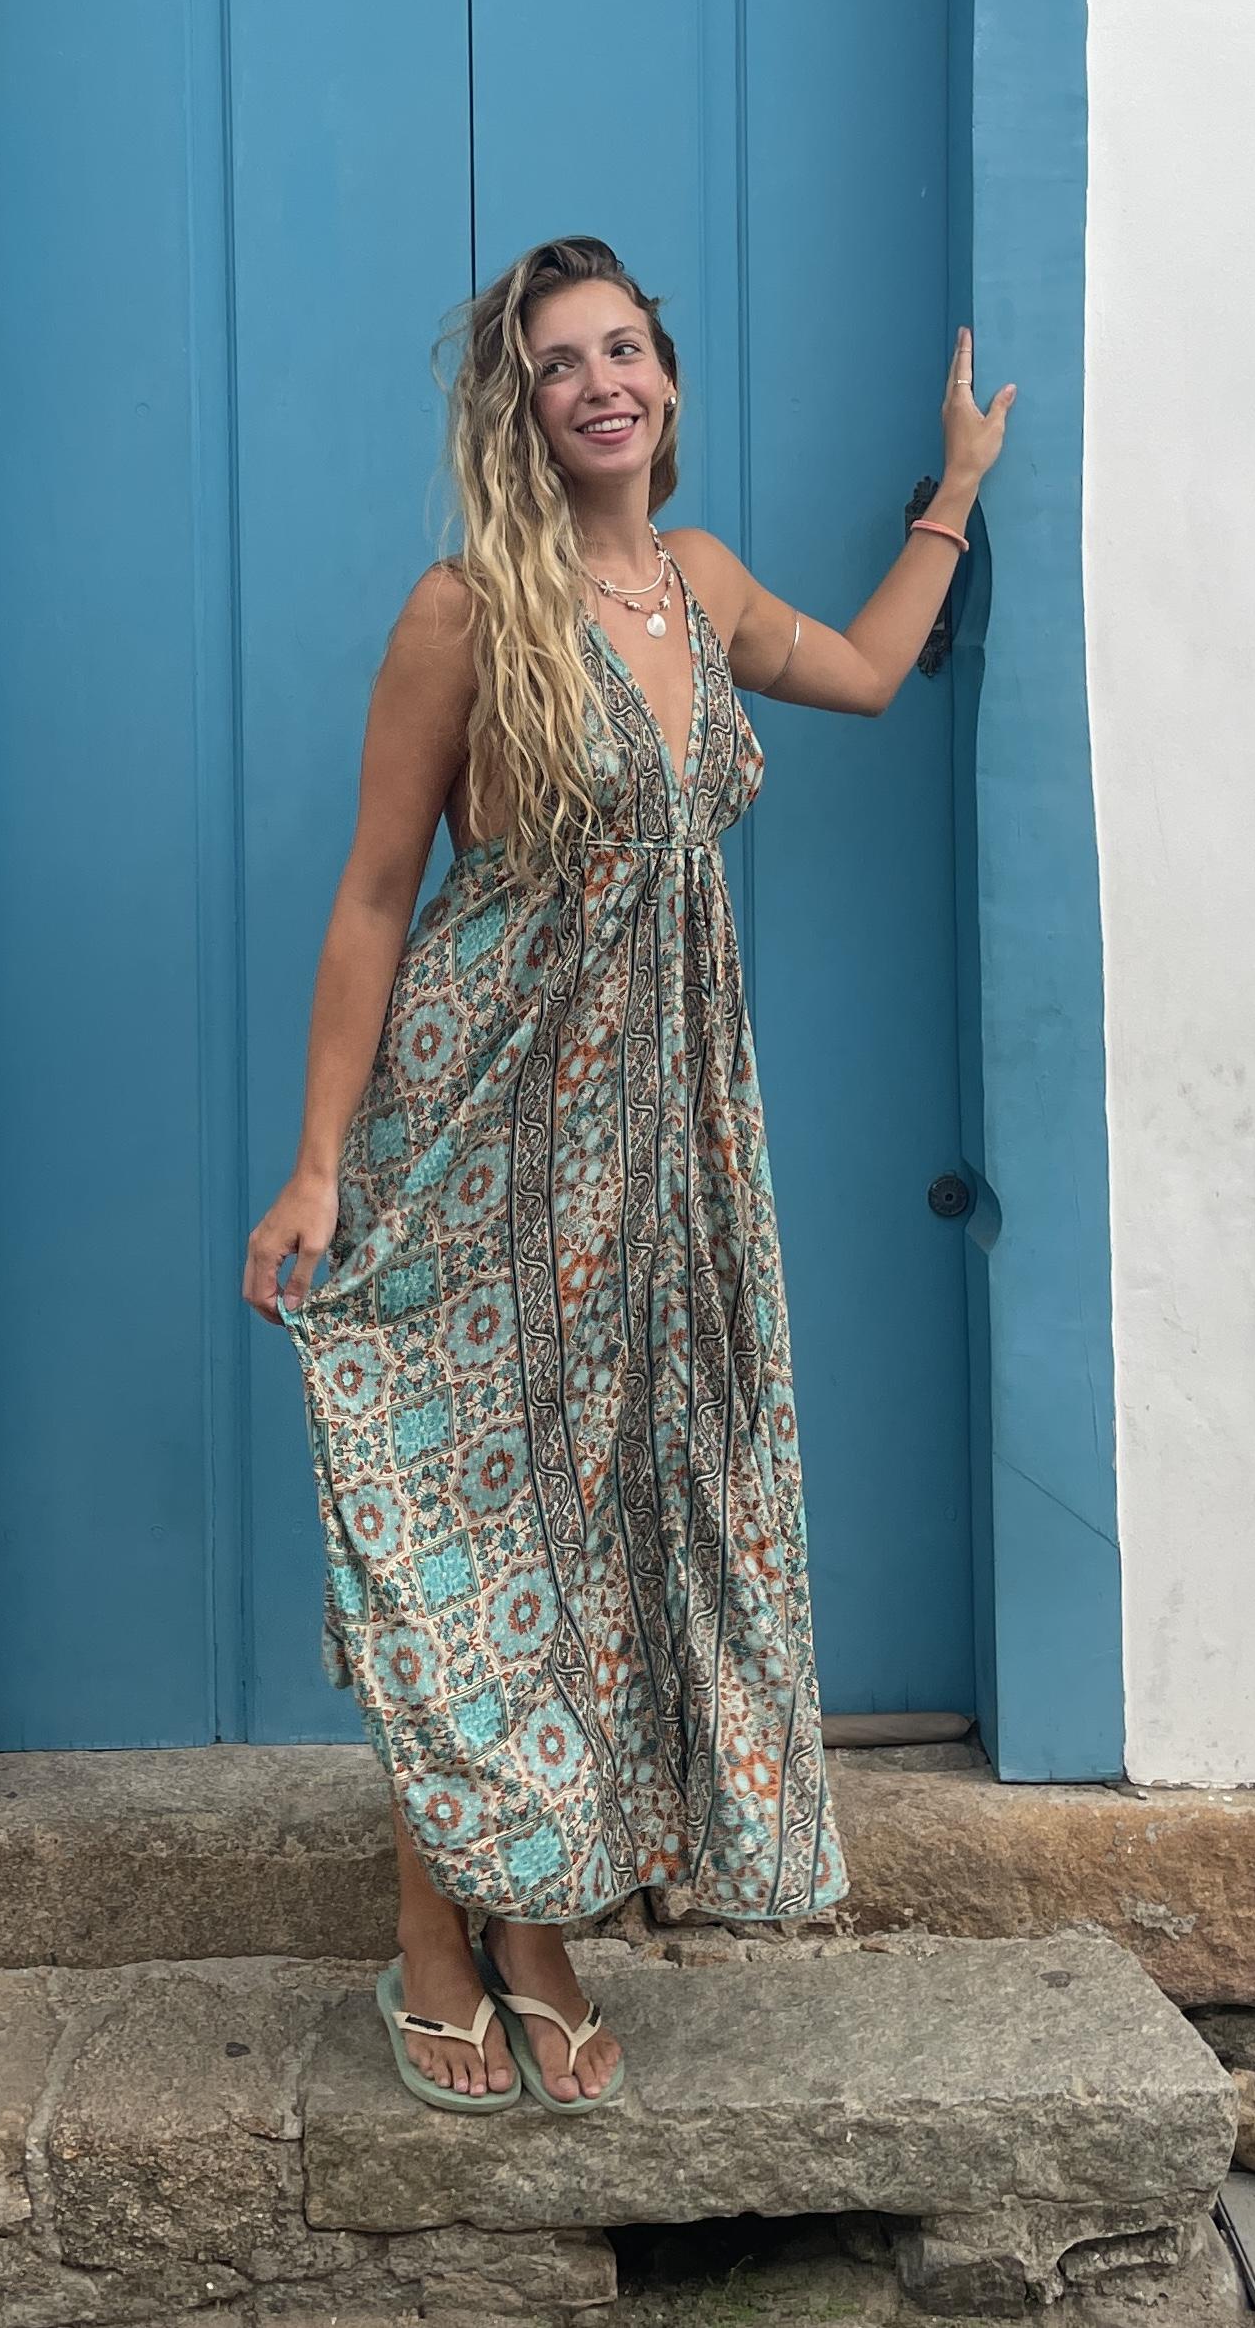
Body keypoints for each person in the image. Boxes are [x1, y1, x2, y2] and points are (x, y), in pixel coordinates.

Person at [243, 235, 1013, 2112]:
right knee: (480, 1536)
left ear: (665, 377)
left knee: (597, 1533)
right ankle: (453, 1935)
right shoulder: (464, 613)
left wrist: (955, 500)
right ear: (520, 407)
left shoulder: (702, 581)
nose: (601, 380)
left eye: (625, 348)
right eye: (558, 359)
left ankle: (528, 1919)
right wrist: (318, 1160)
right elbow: (372, 894)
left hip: (664, 1145)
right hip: (481, 1123)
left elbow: (869, 671)